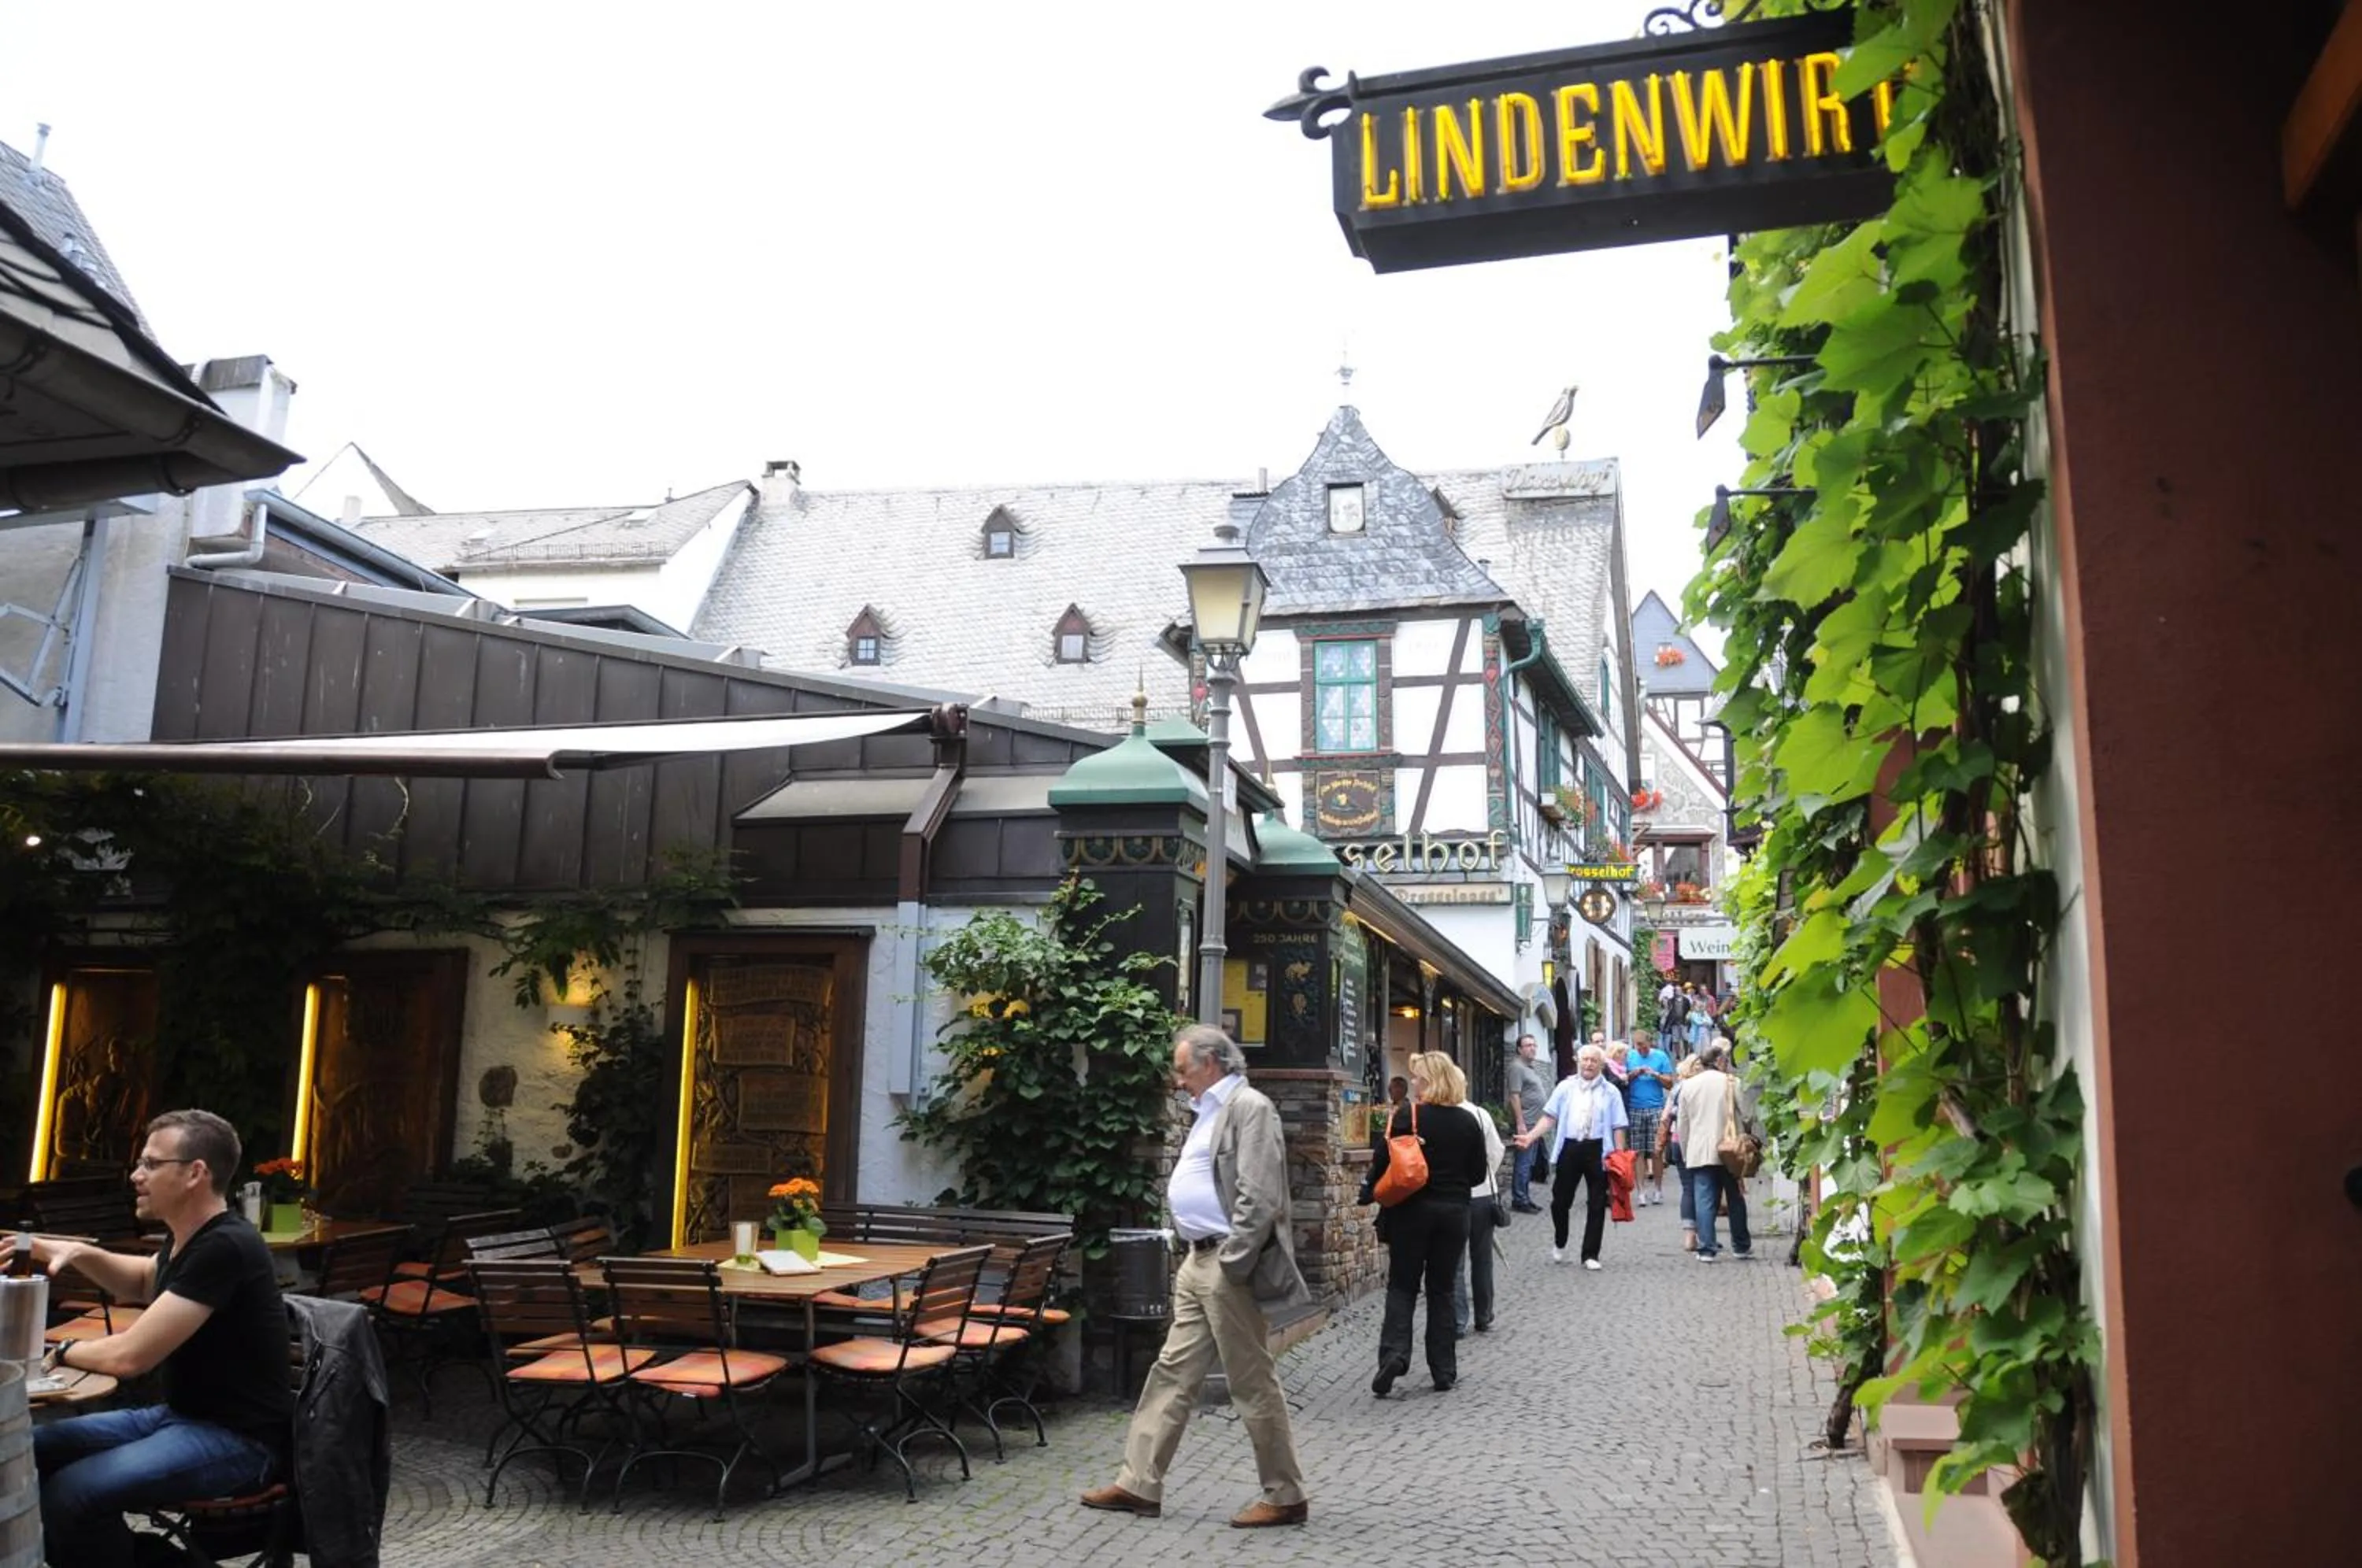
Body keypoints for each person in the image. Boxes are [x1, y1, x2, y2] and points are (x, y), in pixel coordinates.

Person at [17, 1109, 291, 1568]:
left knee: (74, 1494)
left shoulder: (225, 1246)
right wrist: (78, 1251)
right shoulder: (189, 1239)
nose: (136, 1175)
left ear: (195, 1174)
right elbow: (144, 1280)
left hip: (239, 1440)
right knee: (27, 1451)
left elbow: (130, 1357)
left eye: (150, 1164)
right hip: (178, 1417)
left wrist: (60, 1350)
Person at [1083, 1026, 1309, 1528]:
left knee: (1251, 1381)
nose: (1177, 1080)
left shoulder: (1250, 1108)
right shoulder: (1208, 1112)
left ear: (1211, 1063)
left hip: (1225, 1265)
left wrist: (1234, 1261)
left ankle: (1287, 1494)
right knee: (1171, 1372)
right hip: (1196, 1261)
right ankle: (1139, 1483)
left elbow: (1260, 1195)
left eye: (1183, 1070)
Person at [1365, 1051, 1489, 1396]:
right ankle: (1443, 1369)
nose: (1414, 1083)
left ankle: (1394, 1355)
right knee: (1443, 1289)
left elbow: (1382, 1160)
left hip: (1411, 1212)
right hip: (1453, 1214)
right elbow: (1478, 1173)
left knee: (1403, 1286)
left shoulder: (1409, 1114)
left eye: (1418, 1078)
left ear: (1430, 1081)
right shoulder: (1468, 1122)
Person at [1515, 1044, 1629, 1270]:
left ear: (1601, 1064)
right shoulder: (1565, 1088)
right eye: (1585, 1060)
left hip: (1599, 1149)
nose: (1588, 1064)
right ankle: (1560, 1240)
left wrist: (1620, 1157)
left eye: (1593, 1061)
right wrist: (1530, 1137)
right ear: (1578, 1061)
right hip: (1570, 1147)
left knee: (1597, 1203)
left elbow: (1618, 1126)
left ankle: (1590, 1254)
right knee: (1560, 1201)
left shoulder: (1611, 1092)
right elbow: (1549, 1117)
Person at [1431, 1058, 1504, 1337]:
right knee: (1482, 1257)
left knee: (1455, 1260)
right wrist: (1485, 1178)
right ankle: (1484, 1315)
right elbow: (1496, 1152)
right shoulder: (1480, 1114)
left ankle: (1459, 1319)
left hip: (1454, 1196)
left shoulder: (1438, 1115)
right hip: (1482, 1195)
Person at [1669, 1043, 1761, 1261]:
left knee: (1704, 1198)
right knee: (1735, 1197)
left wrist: (1685, 1150)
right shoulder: (1732, 1083)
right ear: (1721, 1062)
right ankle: (1740, 1246)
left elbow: (1683, 1124)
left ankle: (1707, 1248)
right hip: (1731, 1149)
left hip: (1700, 1150)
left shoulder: (1688, 1086)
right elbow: (1748, 1115)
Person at [1623, 1026, 1677, 1205]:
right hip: (1634, 1108)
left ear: (1650, 1043)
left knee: (1656, 1151)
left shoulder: (1660, 1057)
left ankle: (1658, 1190)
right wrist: (1634, 1073)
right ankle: (1641, 1192)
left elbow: (1670, 1084)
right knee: (1637, 1152)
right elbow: (1622, 1080)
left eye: (1644, 1047)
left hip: (1655, 1108)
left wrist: (1655, 1075)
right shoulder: (1629, 1057)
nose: (1641, 1050)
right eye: (1638, 1047)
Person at [1664, 1052, 1708, 1251]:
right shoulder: (1703, 1088)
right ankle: (1705, 1235)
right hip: (1699, 1142)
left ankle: (1689, 1236)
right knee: (1704, 1188)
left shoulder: (1677, 1089)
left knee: (1688, 1188)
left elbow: (1665, 1116)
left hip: (1677, 1140)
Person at [1507, 1035, 1552, 1214]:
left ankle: (1525, 1197)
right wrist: (1520, 1123)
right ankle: (1519, 1199)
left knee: (1529, 1163)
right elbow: (1514, 1095)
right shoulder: (1516, 1068)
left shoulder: (1529, 1068)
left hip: (1536, 1123)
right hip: (1526, 1124)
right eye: (1528, 1046)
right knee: (1523, 1163)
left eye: (1534, 1045)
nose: (1532, 1048)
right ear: (1519, 1049)